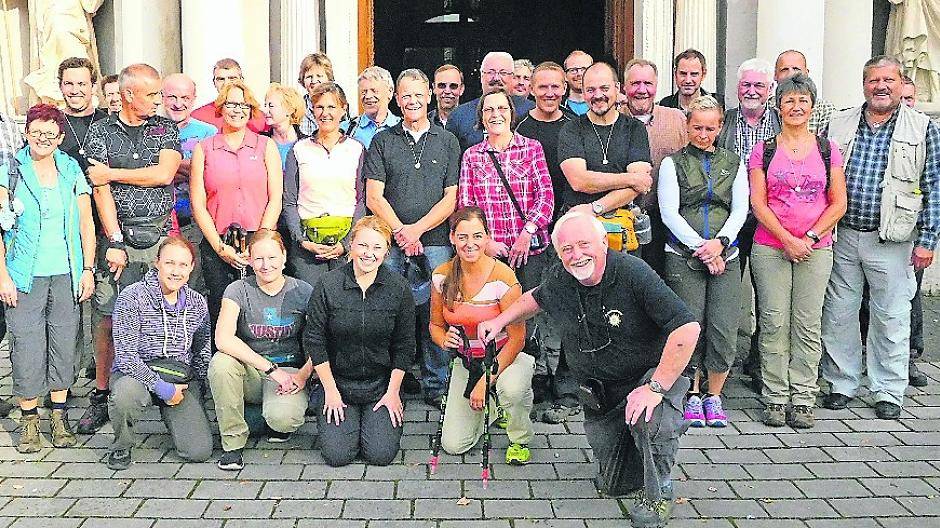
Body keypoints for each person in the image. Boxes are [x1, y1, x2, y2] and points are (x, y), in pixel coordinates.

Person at [478, 211, 699, 528]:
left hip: (649, 381)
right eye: (567, 249)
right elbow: (536, 299)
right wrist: (499, 321)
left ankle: (659, 491)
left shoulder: (634, 273)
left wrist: (656, 388)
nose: (576, 255)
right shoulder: (563, 277)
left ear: (603, 243)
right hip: (605, 395)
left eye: (584, 244)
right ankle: (643, 446)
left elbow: (687, 328)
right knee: (614, 485)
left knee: (649, 418)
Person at [821, 55, 940, 420]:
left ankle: (888, 388)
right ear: (864, 84)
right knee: (839, 314)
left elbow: (935, 185)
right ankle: (841, 382)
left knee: (891, 316)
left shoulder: (922, 128)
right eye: (874, 80)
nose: (881, 87)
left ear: (902, 84)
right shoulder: (839, 122)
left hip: (892, 238)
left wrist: (929, 239)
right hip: (843, 235)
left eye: (888, 80)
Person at [78, 63, 183, 435]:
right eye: (152, 94)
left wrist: (113, 172)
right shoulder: (100, 131)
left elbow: (164, 174)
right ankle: (103, 393)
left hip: (159, 238)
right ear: (127, 94)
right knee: (106, 317)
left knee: (167, 313)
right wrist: (116, 240)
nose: (159, 101)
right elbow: (98, 188)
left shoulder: (164, 127)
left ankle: (167, 387)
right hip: (117, 241)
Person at [748, 74, 847, 428]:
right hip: (771, 247)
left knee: (807, 323)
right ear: (778, 107)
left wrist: (808, 236)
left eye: (803, 100)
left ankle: (803, 396)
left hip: (816, 249)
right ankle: (775, 397)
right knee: (773, 321)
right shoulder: (764, 150)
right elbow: (758, 203)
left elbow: (838, 203)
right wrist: (788, 239)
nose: (796, 106)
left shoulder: (827, 148)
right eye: (789, 100)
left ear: (812, 107)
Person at [0, 104, 96, 453]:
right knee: (25, 345)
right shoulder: (10, 169)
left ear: (60, 138)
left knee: (63, 344)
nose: (43, 139)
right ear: (26, 132)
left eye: (50, 134)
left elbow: (86, 222)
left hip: (66, 273)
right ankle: (28, 420)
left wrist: (87, 269)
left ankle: (58, 416)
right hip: (24, 275)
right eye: (36, 132)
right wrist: (2, 277)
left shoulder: (70, 169)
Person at [365, 69, 461, 406]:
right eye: (406, 95)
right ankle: (392, 382)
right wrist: (402, 233)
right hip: (390, 241)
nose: (413, 101)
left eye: (419, 94)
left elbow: (451, 198)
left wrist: (417, 230)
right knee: (388, 312)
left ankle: (437, 384)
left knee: (436, 311)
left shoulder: (447, 141)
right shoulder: (383, 140)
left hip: (434, 240)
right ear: (397, 98)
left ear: (430, 96)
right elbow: (373, 197)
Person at [658, 95, 749, 428]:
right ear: (687, 125)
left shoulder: (734, 163)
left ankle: (715, 395)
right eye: (697, 127)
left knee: (723, 326)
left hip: (728, 255)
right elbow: (670, 212)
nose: (704, 134)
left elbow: (740, 209)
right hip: (684, 256)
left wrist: (721, 244)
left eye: (710, 128)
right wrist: (702, 248)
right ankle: (691, 392)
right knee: (690, 323)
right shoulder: (672, 164)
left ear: (720, 127)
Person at [304, 216, 416, 467]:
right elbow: (315, 340)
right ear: (351, 245)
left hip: (381, 385)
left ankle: (371, 422)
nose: (369, 254)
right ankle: (333, 410)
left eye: (377, 248)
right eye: (363, 246)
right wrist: (331, 392)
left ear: (386, 252)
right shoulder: (328, 285)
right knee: (337, 456)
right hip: (338, 384)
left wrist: (393, 392)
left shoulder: (398, 287)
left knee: (380, 454)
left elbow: (405, 344)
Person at [458, 87, 552, 383]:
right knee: (490, 315)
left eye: (501, 109)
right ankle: (491, 380)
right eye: (488, 110)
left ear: (512, 114)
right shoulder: (473, 156)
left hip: (530, 251)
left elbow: (546, 196)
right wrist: (485, 243)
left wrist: (527, 232)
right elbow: (465, 205)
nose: (495, 115)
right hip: (490, 255)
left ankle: (523, 382)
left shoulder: (532, 148)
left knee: (527, 316)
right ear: (481, 119)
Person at [430, 207, 534, 464]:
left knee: (511, 389)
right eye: (463, 236)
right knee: (454, 445)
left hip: (504, 357)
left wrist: (484, 382)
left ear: (488, 237)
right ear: (452, 238)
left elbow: (518, 338)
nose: (470, 243)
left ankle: (519, 438)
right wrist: (443, 340)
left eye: (477, 236)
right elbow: (435, 325)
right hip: (467, 361)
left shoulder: (503, 277)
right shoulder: (441, 276)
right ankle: (492, 408)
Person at [209, 229, 314, 470]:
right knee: (221, 363)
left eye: (272, 258)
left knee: (283, 419)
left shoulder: (303, 291)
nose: (266, 265)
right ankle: (233, 444)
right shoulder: (237, 290)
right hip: (252, 371)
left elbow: (322, 339)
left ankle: (259, 418)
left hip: (289, 373)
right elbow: (223, 338)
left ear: (284, 257)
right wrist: (270, 369)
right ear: (249, 259)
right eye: (259, 259)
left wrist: (303, 375)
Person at [105, 237, 212, 470]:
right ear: (157, 263)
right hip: (136, 372)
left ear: (192, 267)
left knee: (199, 451)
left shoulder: (197, 303)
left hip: (178, 375)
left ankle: (175, 419)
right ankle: (121, 444)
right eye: (169, 263)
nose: (176, 271)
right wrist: (162, 388)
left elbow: (202, 350)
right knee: (125, 395)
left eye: (183, 265)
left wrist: (199, 389)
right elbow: (126, 357)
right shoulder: (131, 297)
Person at [513, 62, 580, 420]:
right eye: (543, 87)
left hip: (569, 226)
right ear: (531, 89)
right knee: (533, 306)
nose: (550, 93)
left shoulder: (575, 125)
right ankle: (535, 375)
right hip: (534, 233)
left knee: (570, 307)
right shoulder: (520, 127)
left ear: (565, 89)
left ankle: (568, 383)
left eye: (556, 87)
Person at [190, 80, 283, 324]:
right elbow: (198, 203)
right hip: (218, 241)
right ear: (221, 108)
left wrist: (261, 242)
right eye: (231, 104)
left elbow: (276, 198)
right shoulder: (204, 149)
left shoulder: (266, 146)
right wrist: (220, 248)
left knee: (259, 309)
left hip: (258, 239)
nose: (237, 110)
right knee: (221, 311)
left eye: (243, 105)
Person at [717, 57, 781, 393]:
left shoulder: (783, 124)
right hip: (728, 221)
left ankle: (761, 365)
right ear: (737, 88)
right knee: (726, 296)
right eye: (746, 85)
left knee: (768, 297)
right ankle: (719, 369)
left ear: (770, 90)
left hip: (770, 222)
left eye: (759, 85)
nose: (752, 91)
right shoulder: (723, 122)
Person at [283, 82, 365, 286]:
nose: (325, 113)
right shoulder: (299, 149)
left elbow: (362, 200)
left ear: (343, 109)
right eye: (319, 107)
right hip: (306, 247)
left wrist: (346, 244)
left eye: (331, 107)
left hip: (344, 241)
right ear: (312, 110)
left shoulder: (357, 149)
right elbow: (290, 200)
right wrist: (302, 241)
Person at [620, 58, 689, 277]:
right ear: (624, 87)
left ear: (657, 86)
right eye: (635, 84)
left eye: (648, 84)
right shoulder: (613, 119)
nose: (642, 90)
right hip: (621, 218)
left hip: (664, 219)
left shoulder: (676, 119)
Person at [557, 62, 652, 217]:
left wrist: (595, 208)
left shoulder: (635, 129)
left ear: (617, 88)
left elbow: (637, 187)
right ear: (583, 92)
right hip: (579, 224)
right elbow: (579, 181)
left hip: (621, 226)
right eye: (590, 90)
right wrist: (631, 178)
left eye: (604, 88)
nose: (598, 95)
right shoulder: (571, 129)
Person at [162, 73, 217, 293]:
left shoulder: (208, 132)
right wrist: (191, 165)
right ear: (162, 98)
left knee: (192, 287)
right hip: (161, 222)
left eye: (185, 98)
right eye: (172, 97)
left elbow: (209, 173)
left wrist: (167, 167)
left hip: (194, 222)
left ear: (194, 99)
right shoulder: (150, 130)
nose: (178, 104)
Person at [446, 51, 535, 152]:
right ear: (481, 76)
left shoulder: (530, 111)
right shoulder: (459, 116)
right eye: (490, 72)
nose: (496, 78)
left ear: (512, 77)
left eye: (503, 73)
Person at [190, 58, 268, 133]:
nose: (226, 83)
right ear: (214, 82)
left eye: (232, 78)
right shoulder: (198, 117)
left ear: (242, 80)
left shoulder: (260, 118)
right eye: (221, 79)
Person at [57, 57, 107, 174]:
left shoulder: (108, 123)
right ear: (60, 87)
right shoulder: (50, 123)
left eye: (81, 84)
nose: (75, 90)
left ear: (93, 87)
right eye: (68, 84)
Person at [773, 50, 838, 134]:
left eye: (796, 69)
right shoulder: (767, 108)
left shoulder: (824, 109)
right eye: (784, 69)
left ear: (806, 73)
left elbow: (827, 144)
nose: (790, 74)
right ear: (775, 75)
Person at [344, 66, 401, 149]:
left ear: (390, 92)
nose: (368, 96)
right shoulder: (346, 130)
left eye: (374, 91)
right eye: (364, 92)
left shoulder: (403, 128)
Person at [658, 49, 723, 113]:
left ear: (703, 75)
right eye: (683, 74)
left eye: (694, 74)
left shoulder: (718, 104)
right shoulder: (664, 106)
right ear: (675, 74)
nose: (688, 80)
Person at [261, 83, 308, 168]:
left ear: (289, 110)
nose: (265, 110)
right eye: (265, 105)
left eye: (271, 106)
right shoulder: (260, 141)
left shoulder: (306, 144)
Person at [297, 52, 336, 136]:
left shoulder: (341, 106)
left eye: (319, 76)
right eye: (309, 77)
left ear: (328, 78)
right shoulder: (297, 107)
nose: (314, 81)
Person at [562, 50, 593, 115]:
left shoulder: (603, 106)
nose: (579, 74)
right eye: (573, 70)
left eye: (584, 69)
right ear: (565, 76)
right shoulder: (558, 107)